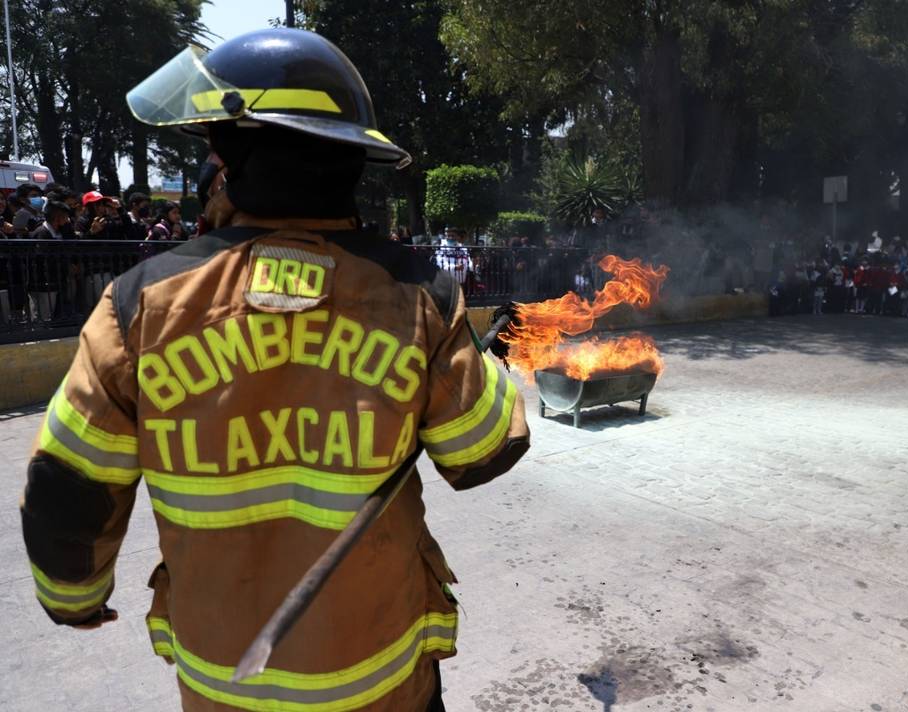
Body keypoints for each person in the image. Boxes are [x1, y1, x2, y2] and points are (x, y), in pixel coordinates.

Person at [20, 27, 529, 712]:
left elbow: (66, 483)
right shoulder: (415, 295)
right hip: (379, 679)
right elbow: (483, 452)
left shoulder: (139, 305)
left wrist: (73, 599)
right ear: (351, 162)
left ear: (237, 163)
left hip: (223, 681)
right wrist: (485, 364)